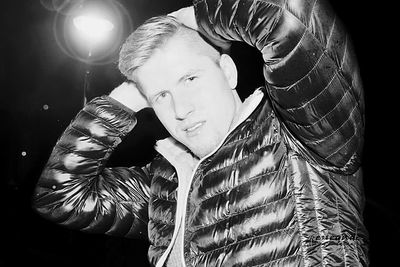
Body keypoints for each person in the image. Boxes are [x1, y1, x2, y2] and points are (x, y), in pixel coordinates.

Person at [33, 0, 369, 266]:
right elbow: (60, 197)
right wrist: (119, 103)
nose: (180, 110)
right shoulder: (166, 181)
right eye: (160, 97)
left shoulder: (302, 134)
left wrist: (190, 18)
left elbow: (288, 14)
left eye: (189, 79)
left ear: (227, 70)